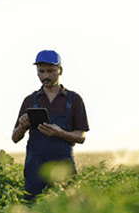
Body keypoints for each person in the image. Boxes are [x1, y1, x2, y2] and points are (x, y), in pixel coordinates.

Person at [12, 50, 89, 200]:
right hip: (35, 166)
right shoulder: (29, 100)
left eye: (50, 71)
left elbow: (81, 137)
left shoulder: (74, 99)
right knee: (31, 205)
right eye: (41, 71)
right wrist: (22, 126)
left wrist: (59, 133)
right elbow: (15, 138)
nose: (45, 76)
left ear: (60, 70)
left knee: (67, 206)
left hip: (63, 166)